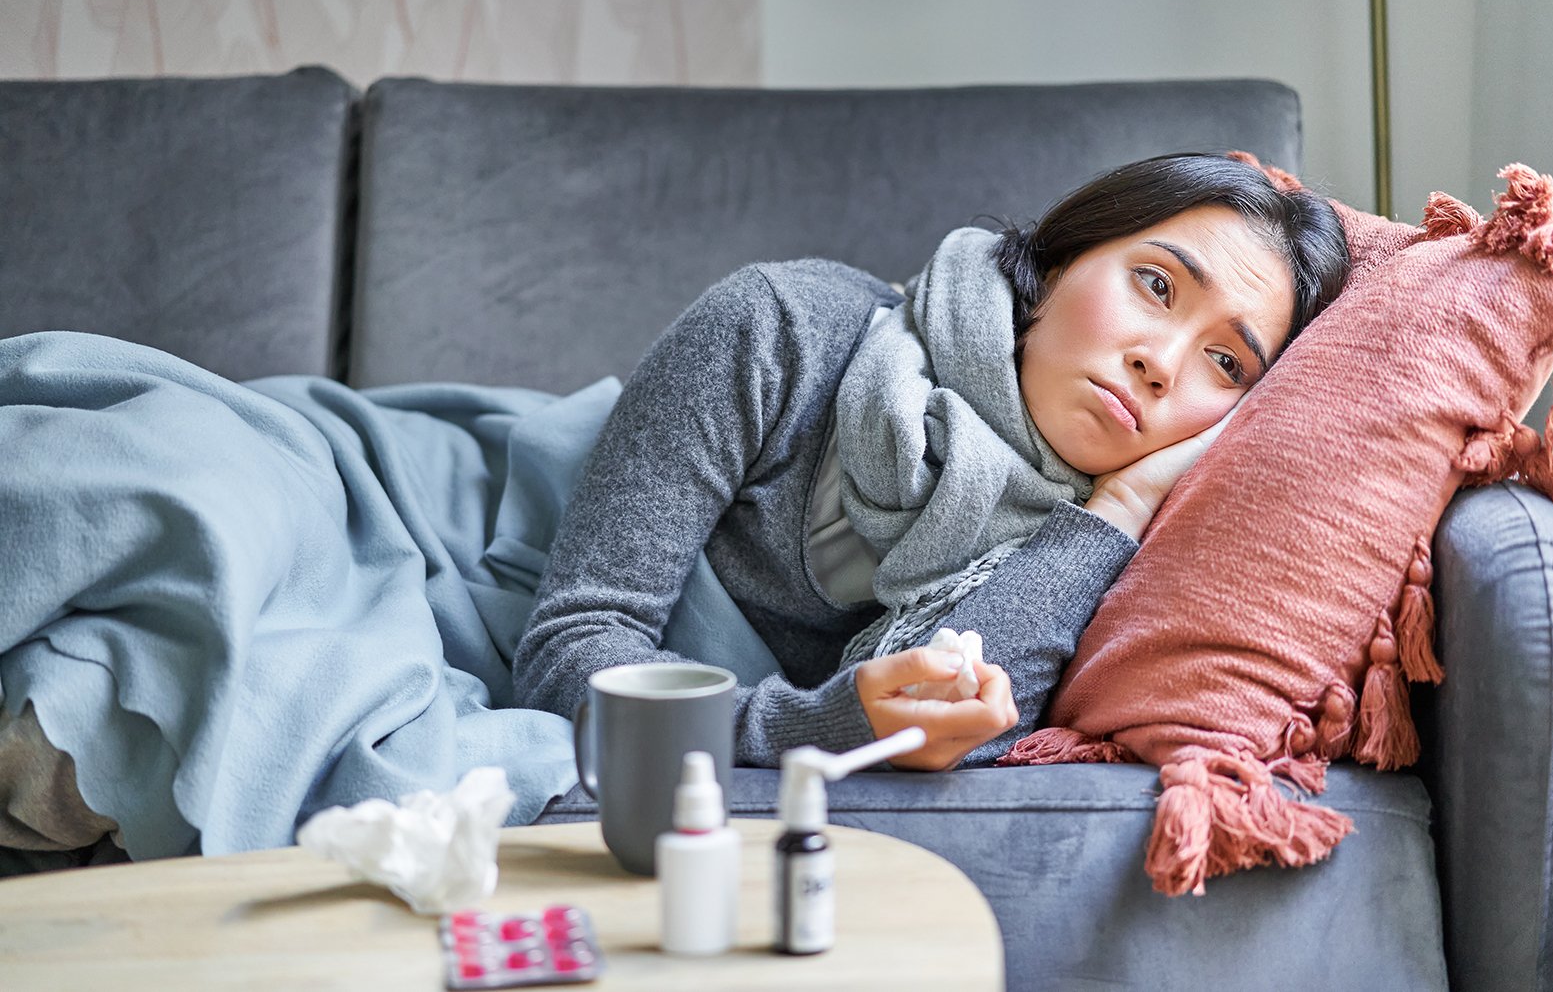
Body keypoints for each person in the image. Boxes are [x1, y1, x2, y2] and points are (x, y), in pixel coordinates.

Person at [515, 153, 1350, 772]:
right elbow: (572, 645)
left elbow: (976, 726)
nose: (1162, 362)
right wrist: (813, 722)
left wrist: (1120, 507)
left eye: (1227, 363)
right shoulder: (777, 329)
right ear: (1061, 260)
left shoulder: (1124, 532)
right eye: (1156, 285)